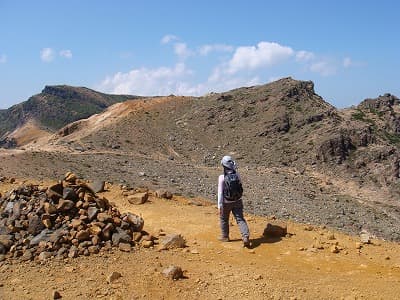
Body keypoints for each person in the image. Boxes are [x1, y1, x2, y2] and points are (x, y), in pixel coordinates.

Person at [217, 155, 250, 248]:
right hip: (238, 200)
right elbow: (240, 186)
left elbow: (220, 192)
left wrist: (219, 205)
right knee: (240, 219)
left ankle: (225, 236)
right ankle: (245, 236)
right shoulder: (237, 175)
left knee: (224, 219)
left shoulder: (221, 177)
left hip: (226, 202)